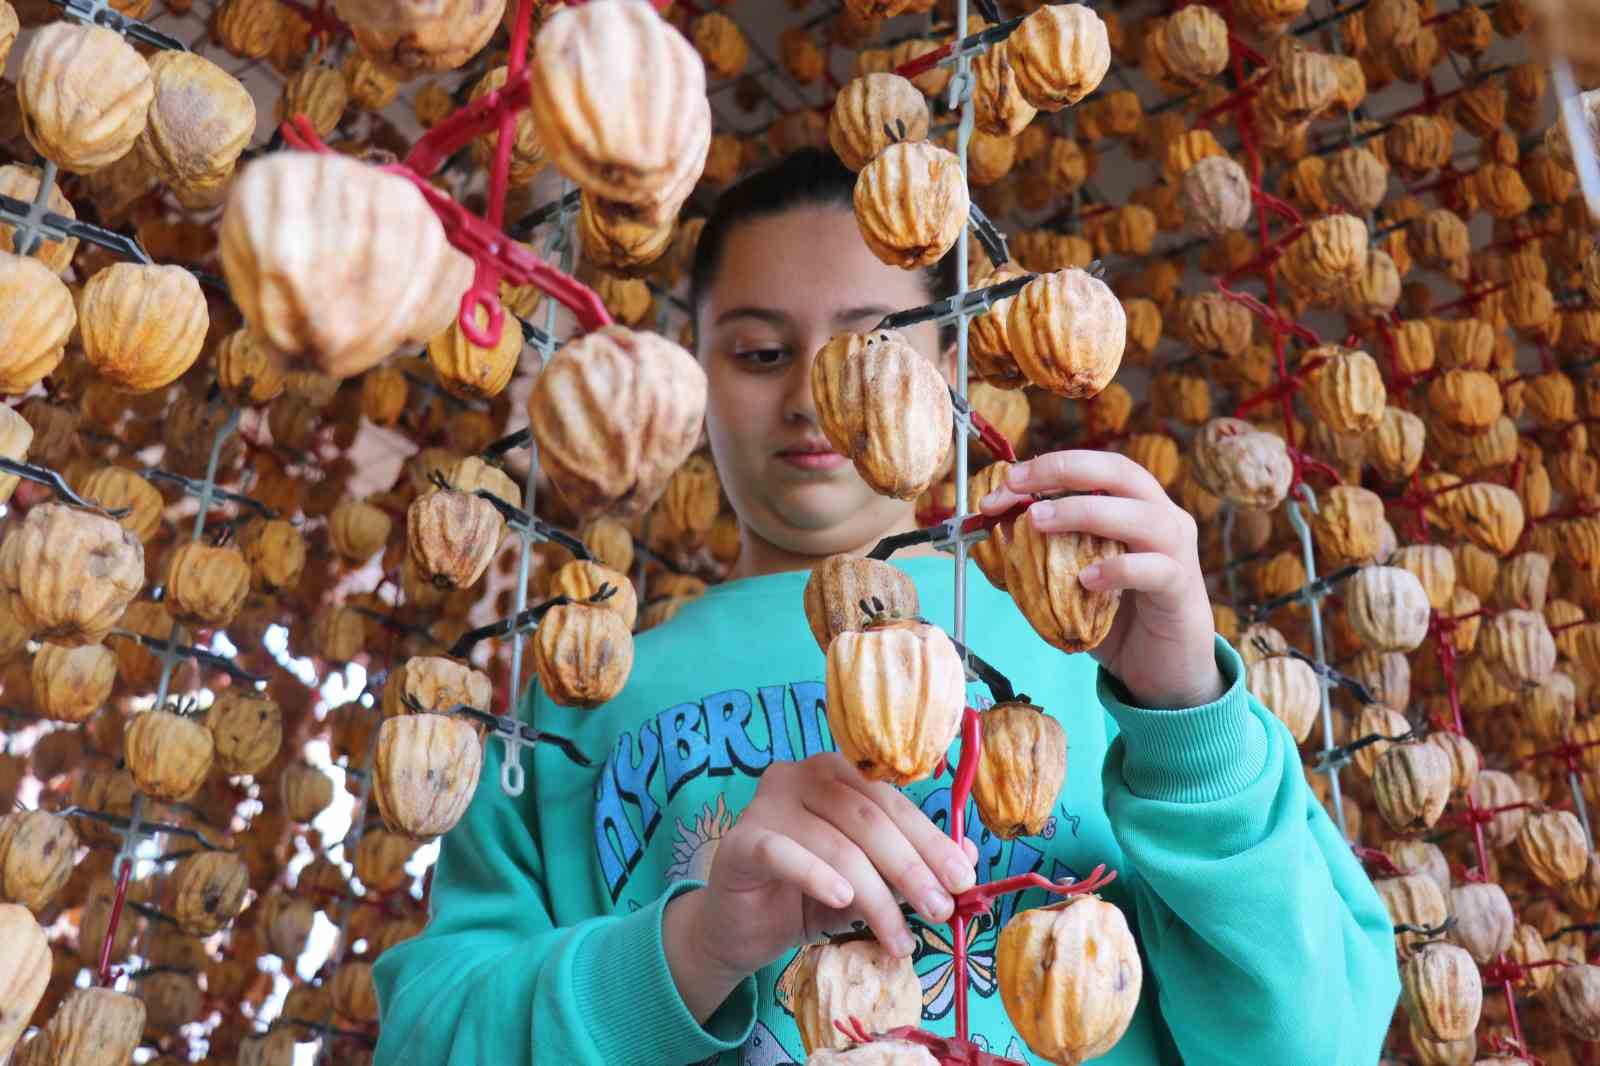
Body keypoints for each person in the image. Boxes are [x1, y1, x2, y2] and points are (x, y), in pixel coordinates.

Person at [372, 148, 1400, 1066]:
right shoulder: (569, 698)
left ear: (952, 368)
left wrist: (1182, 716)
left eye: (873, 343)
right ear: (695, 378)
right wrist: (696, 945)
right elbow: (427, 1040)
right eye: (760, 353)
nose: (819, 396)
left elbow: (1321, 1040)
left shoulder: (1121, 664)